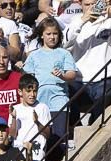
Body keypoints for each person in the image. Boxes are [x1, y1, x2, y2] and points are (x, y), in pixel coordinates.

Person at [21, 15, 77, 143]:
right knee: (41, 137)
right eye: (48, 34)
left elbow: (72, 74)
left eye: (55, 34)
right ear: (42, 35)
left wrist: (62, 75)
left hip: (59, 100)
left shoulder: (64, 53)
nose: (52, 37)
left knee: (59, 136)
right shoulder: (34, 55)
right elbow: (27, 79)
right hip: (39, 101)